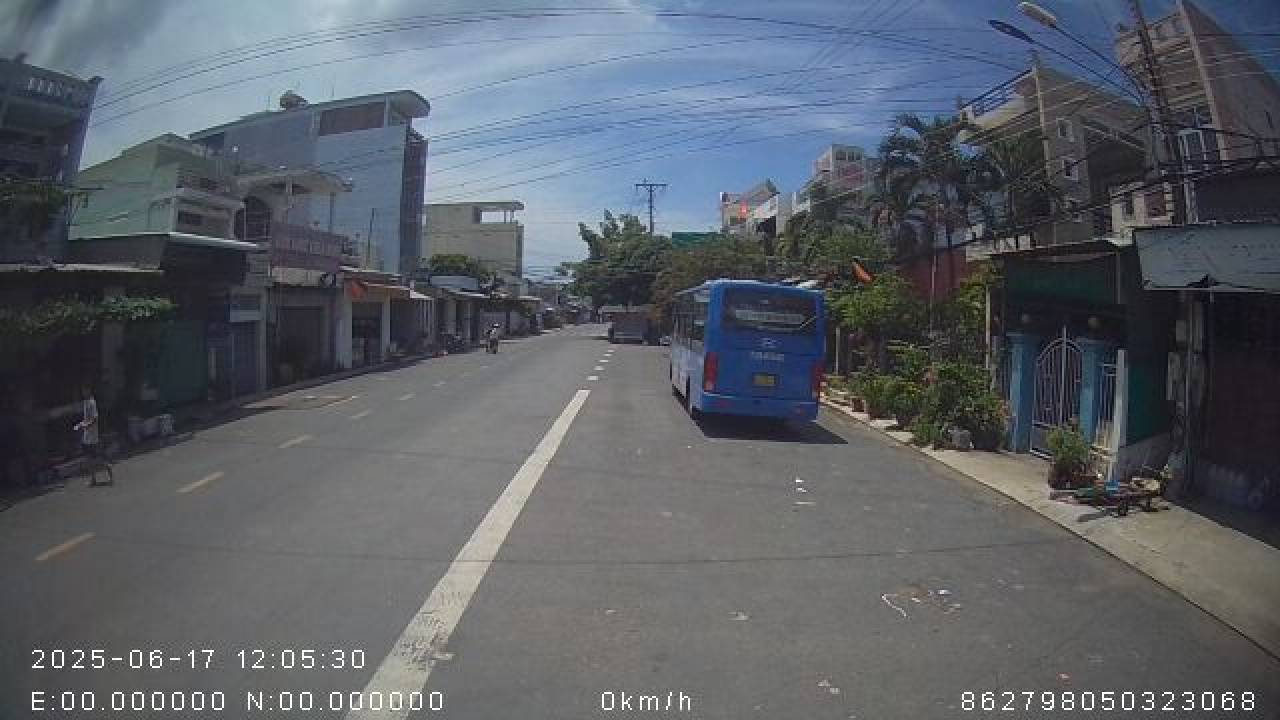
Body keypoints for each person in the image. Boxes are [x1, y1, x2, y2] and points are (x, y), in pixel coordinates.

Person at [74, 384, 112, 486]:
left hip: (93, 435)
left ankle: (108, 470)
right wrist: (81, 424)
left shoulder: (92, 402)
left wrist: (86, 425)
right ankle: (93, 479)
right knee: (88, 458)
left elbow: (95, 419)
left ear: (89, 390)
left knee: (96, 457)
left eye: (85, 390)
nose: (83, 392)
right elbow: (87, 418)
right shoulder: (85, 402)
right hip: (87, 435)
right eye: (82, 391)